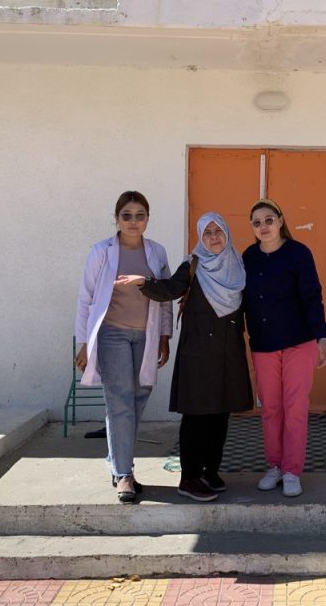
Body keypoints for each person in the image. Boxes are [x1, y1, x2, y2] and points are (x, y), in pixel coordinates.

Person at [131, 211, 253, 502]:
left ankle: (210, 471)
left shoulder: (237, 264)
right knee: (198, 413)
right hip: (198, 351)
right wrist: (144, 283)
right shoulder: (192, 264)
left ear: (226, 233)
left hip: (229, 349)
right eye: (207, 232)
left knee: (221, 413)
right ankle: (189, 477)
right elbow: (171, 289)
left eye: (218, 231)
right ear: (200, 237)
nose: (213, 237)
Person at [75, 191, 173, 503]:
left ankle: (116, 458)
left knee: (138, 399)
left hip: (146, 336)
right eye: (126, 215)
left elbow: (165, 296)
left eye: (140, 215)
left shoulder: (156, 252)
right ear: (116, 219)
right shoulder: (101, 251)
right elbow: (86, 298)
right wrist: (84, 342)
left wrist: (165, 336)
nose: (133, 221)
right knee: (119, 402)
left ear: (148, 219)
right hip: (112, 335)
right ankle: (123, 473)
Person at [242, 198, 326, 498]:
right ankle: (275, 466)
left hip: (299, 342)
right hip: (264, 343)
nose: (264, 226)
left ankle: (292, 470)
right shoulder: (249, 257)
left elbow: (312, 296)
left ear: (280, 221)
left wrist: (322, 335)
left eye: (269, 220)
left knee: (295, 408)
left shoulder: (298, 253)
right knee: (270, 408)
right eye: (257, 222)